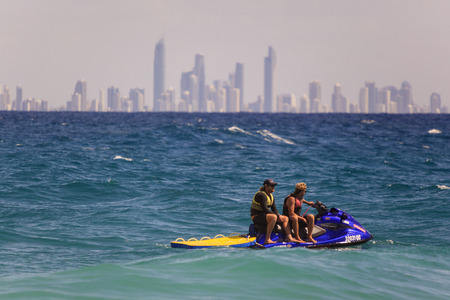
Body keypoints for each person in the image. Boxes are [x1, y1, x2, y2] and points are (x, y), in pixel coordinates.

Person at [251, 179, 301, 244]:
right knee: (273, 217)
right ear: (266, 186)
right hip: (256, 217)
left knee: (285, 218)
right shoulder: (261, 195)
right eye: (272, 185)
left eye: (274, 185)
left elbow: (274, 209)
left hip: (265, 216)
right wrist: (277, 216)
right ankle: (267, 239)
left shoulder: (271, 196)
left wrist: (279, 215)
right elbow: (265, 209)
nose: (273, 187)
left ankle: (290, 238)